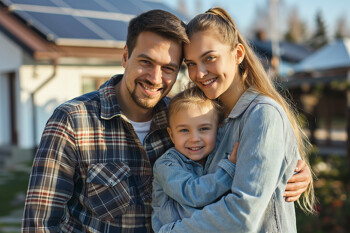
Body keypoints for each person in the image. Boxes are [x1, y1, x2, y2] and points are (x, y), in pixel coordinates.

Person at [22, 8, 311, 233]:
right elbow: (40, 223)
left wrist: (295, 167)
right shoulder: (73, 122)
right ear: (125, 56)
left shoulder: (187, 118)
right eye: (146, 62)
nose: (156, 78)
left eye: (170, 68)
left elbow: (260, 149)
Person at [157, 7, 316, 233]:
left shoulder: (262, 114)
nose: (199, 73)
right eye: (191, 64)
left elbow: (242, 215)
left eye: (209, 58)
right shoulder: (206, 117)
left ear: (238, 54)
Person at [152, 86, 238, 232]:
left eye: (204, 129)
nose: (194, 139)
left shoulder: (218, 157)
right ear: (172, 135)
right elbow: (192, 193)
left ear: (217, 130)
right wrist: (229, 170)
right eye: (184, 130)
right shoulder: (166, 165)